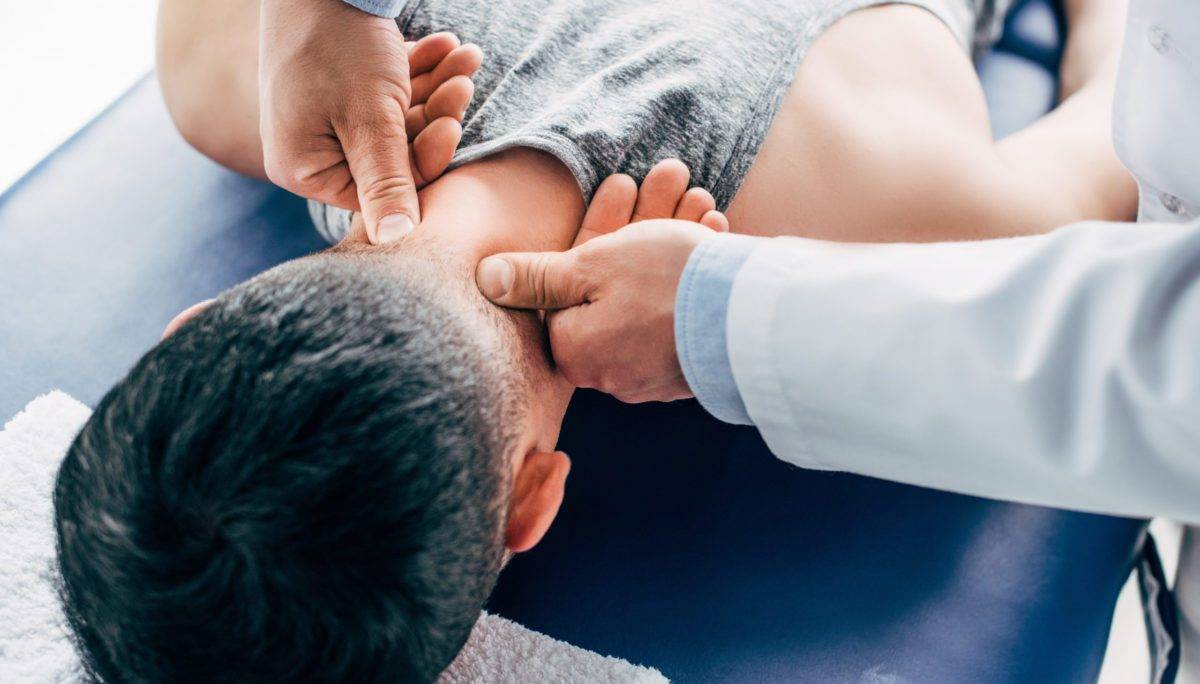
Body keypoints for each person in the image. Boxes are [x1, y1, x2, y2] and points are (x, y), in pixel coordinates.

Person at [58, 0, 1129, 679]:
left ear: (531, 503)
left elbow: (1130, 106)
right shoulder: (220, 71)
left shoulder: (905, 227)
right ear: (189, 328)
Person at [477, 0, 1200, 677]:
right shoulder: (378, 64)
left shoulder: (921, 203)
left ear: (530, 504)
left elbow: (1116, 138)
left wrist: (720, 317)